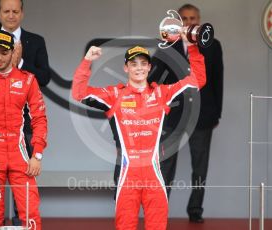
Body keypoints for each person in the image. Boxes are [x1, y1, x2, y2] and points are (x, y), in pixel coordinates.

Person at [71, 28, 206, 229]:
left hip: (154, 177)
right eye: (133, 64)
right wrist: (87, 61)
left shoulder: (162, 93)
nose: (139, 68)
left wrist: (193, 47)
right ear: (126, 68)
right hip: (127, 177)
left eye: (143, 63)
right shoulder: (114, 95)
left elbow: (198, 80)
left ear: (149, 67)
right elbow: (79, 93)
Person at [0, 0, 50, 225]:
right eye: (6, 11)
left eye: (15, 11)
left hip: (23, 131)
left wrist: (20, 63)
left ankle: (19, 224)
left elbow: (44, 78)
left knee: (25, 200)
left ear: (22, 13)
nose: (11, 15)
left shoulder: (35, 41)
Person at [149, 3, 224, 223]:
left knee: (200, 167)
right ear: (178, 22)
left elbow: (218, 80)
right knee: (165, 166)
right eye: (185, 19)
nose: (189, 22)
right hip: (173, 115)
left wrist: (217, 113)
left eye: (193, 18)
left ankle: (195, 211)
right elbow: (153, 78)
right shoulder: (166, 45)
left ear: (199, 20)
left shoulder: (213, 45)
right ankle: (160, 211)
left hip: (203, 115)